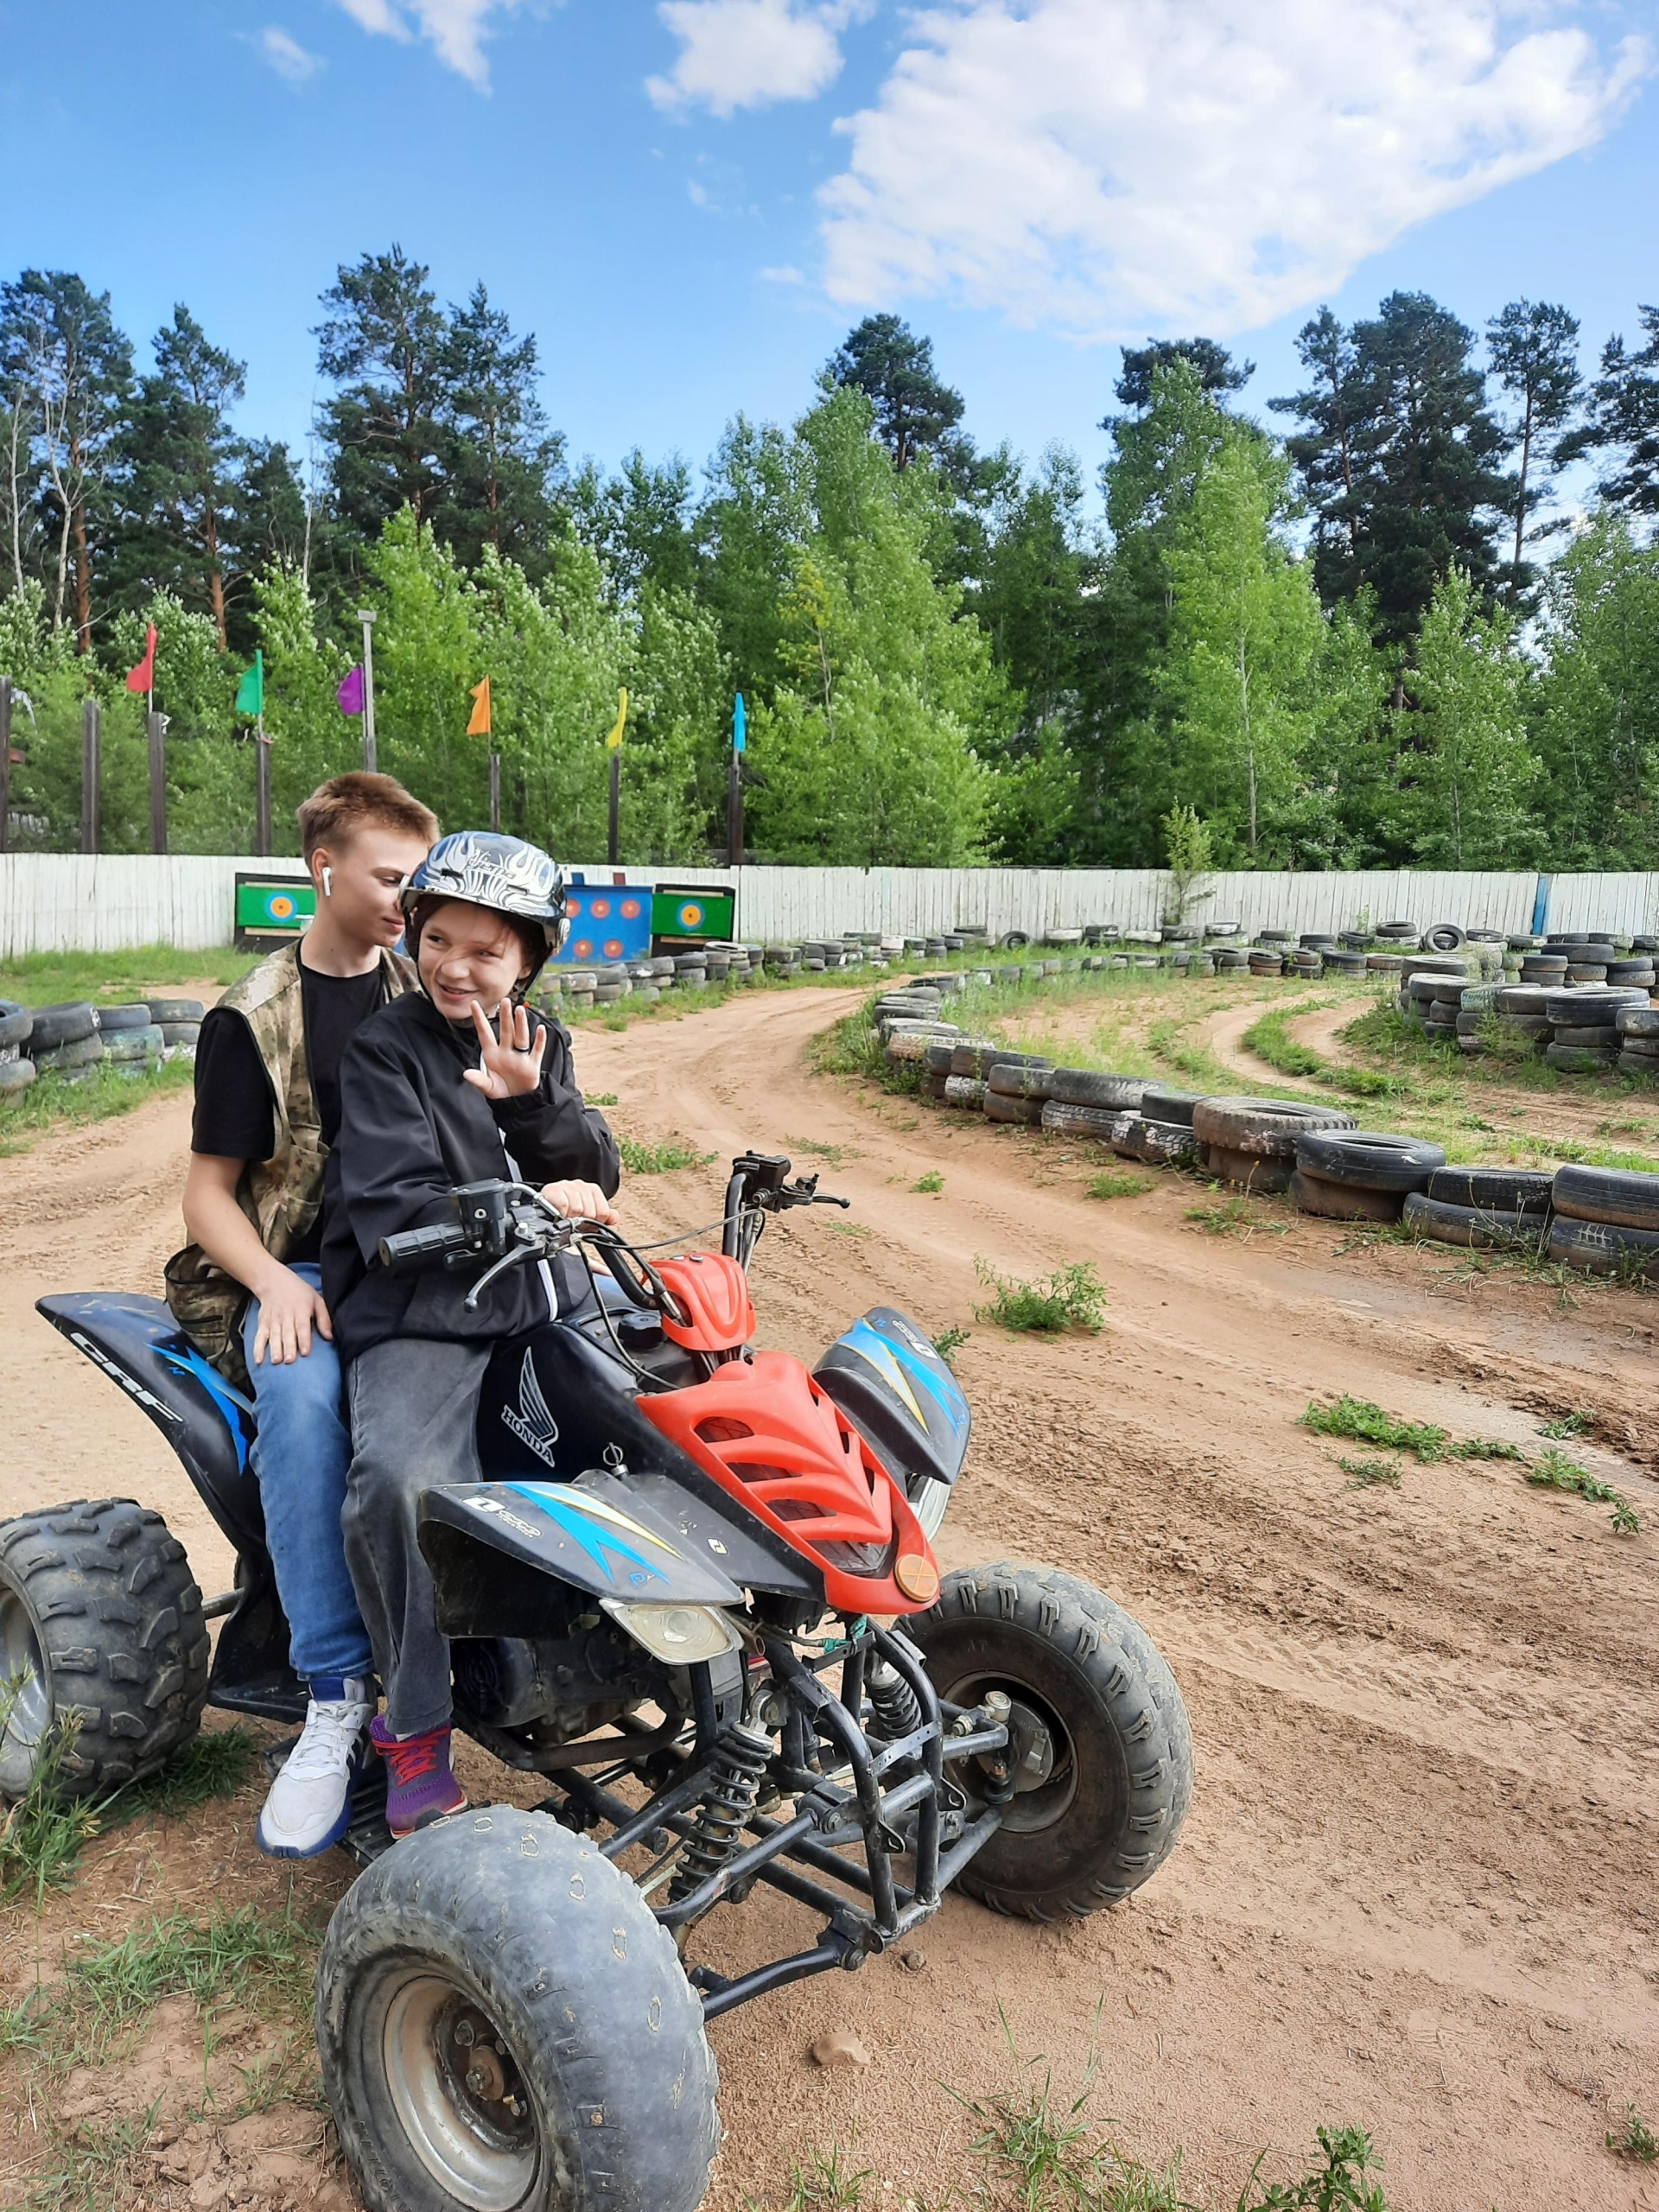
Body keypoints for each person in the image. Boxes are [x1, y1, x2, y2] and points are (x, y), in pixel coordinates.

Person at [321, 831, 621, 1836]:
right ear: (415, 934)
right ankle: (410, 1724)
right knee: (399, 1484)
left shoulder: (541, 1043)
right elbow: (389, 1200)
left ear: (528, 960)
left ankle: (711, 1635)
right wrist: (496, 1203)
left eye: (487, 951)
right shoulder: (383, 1049)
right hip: (419, 1312)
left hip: (537, 1296)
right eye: (440, 937)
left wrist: (534, 1111)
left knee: (669, 1397)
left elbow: (592, 1166)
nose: (456, 964)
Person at [172, 772, 439, 1858]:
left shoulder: (422, 987)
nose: (407, 899)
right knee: (298, 1393)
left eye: (418, 879)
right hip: (289, 1270)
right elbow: (206, 1193)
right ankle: (331, 1689)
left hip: (405, 1263)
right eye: (390, 877)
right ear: (324, 872)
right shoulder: (253, 1017)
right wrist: (277, 1285)